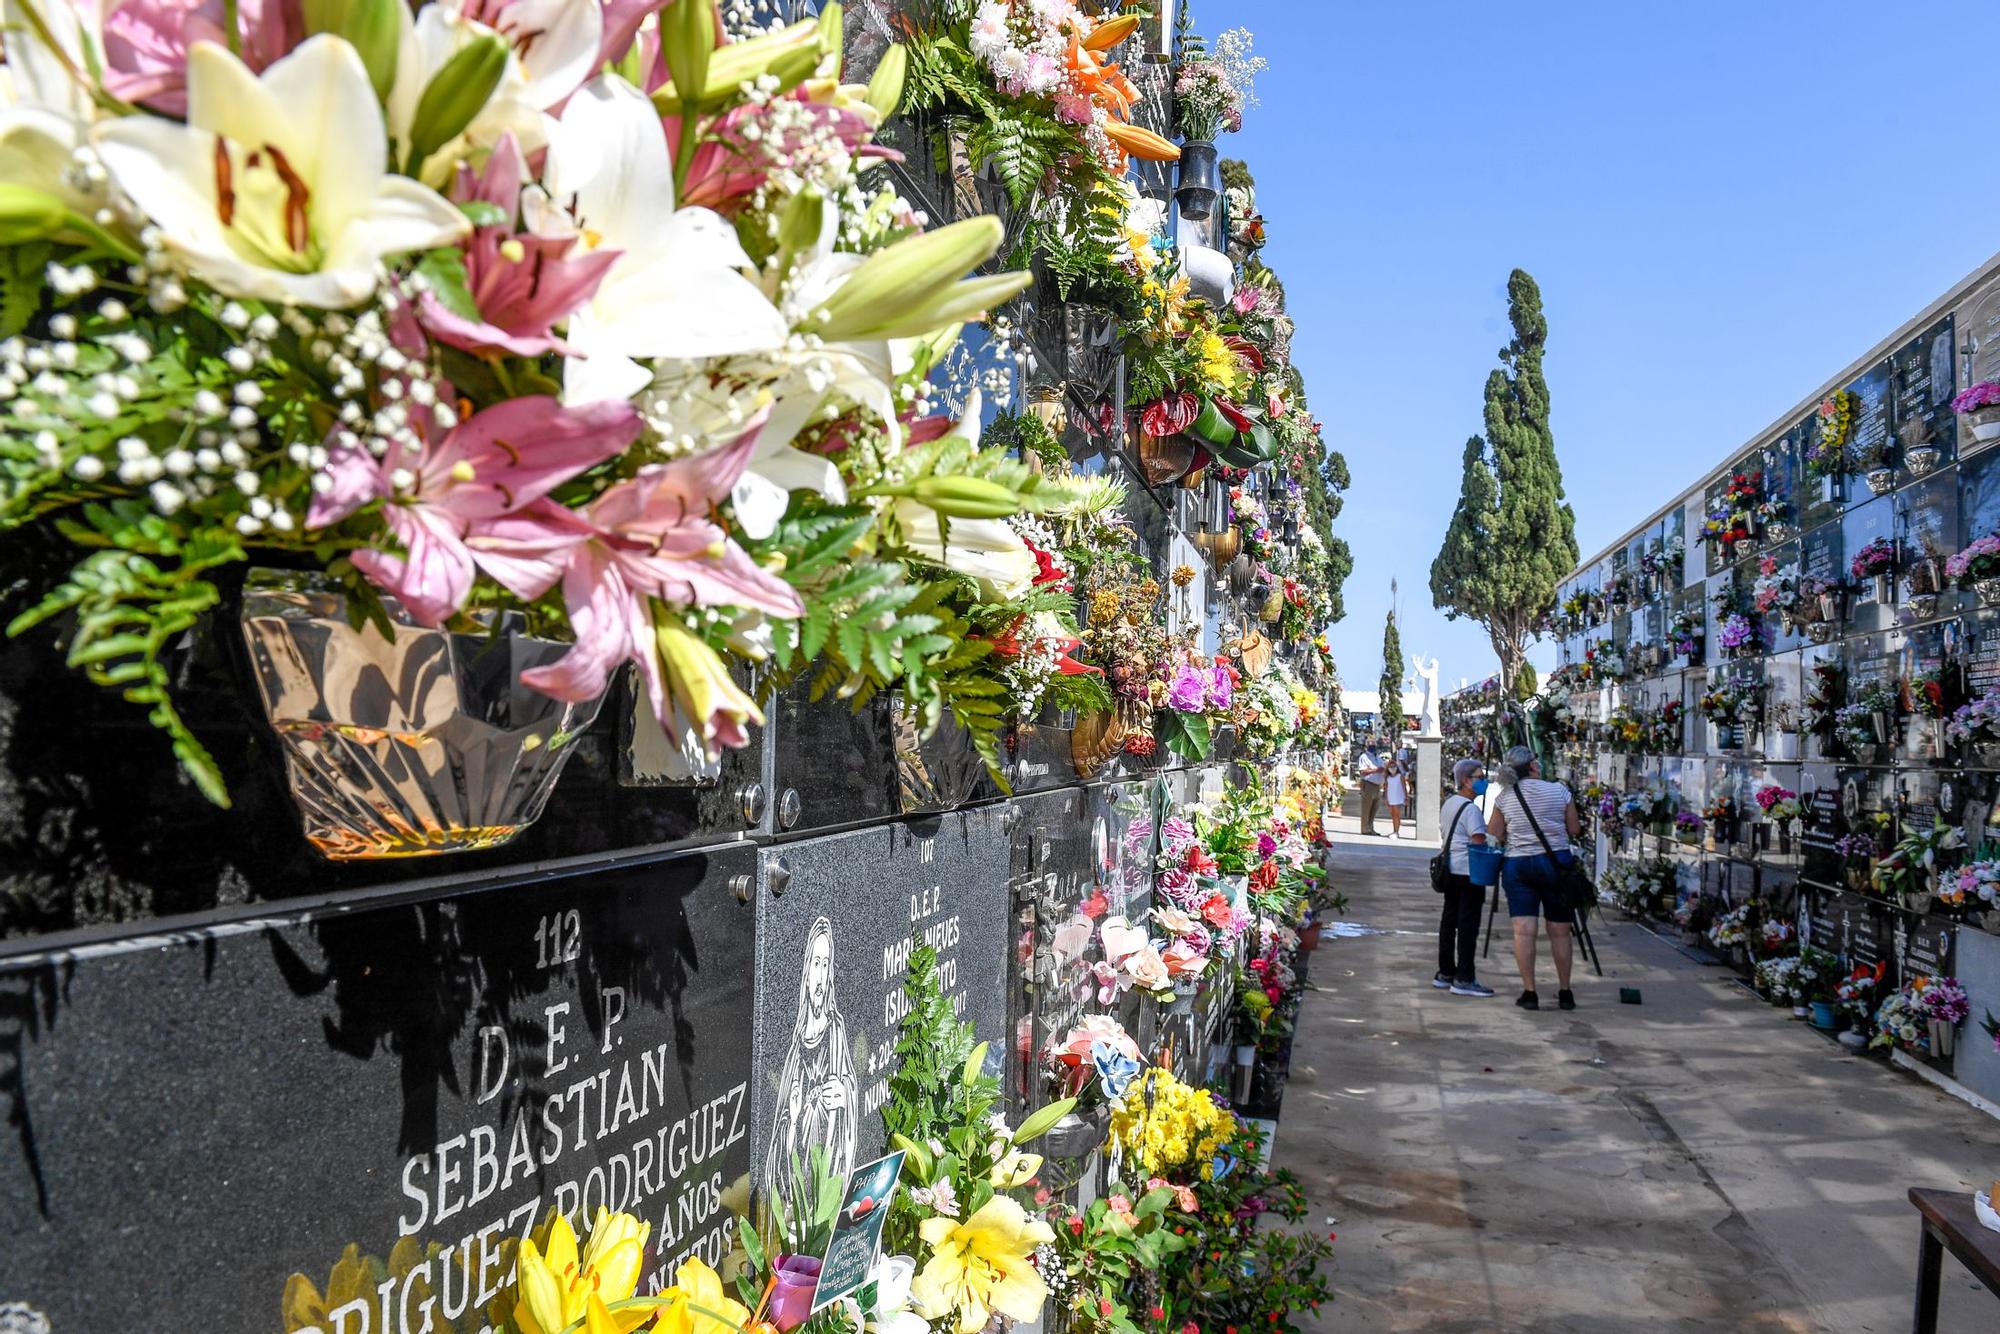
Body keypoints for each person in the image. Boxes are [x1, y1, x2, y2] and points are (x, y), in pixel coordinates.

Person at [1485, 745, 1582, 1011]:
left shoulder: (1505, 797)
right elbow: (1573, 829)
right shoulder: (1560, 791)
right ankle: (1565, 991)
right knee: (1560, 931)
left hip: (1518, 865)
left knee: (1524, 931)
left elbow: (1495, 832)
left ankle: (1530, 992)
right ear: (1533, 766)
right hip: (1556, 863)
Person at [1434, 758, 1495, 996]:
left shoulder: (1450, 803)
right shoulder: (1471, 810)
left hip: (1451, 870)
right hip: (1469, 871)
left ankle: (1446, 971)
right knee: (1468, 925)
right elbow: (1477, 840)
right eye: (1480, 778)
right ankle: (1465, 976)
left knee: (1449, 921)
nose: (1484, 782)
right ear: (1466, 781)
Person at [1356, 738, 1386, 834]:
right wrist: (1375, 770)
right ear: (1367, 746)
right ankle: (1365, 829)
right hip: (1368, 785)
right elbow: (1362, 771)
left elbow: (1383, 767)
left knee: (1374, 808)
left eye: (1374, 744)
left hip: (1378, 785)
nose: (1373, 746)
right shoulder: (1364, 757)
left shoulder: (1378, 757)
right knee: (1366, 808)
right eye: (1371, 744)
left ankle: (1371, 827)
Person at [1384, 745, 1408, 838]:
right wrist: (1386, 798)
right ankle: (1394, 830)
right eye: (1390, 767)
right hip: (1391, 797)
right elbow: (1386, 788)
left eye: (1394, 766)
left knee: (1397, 815)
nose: (1392, 768)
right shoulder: (1388, 777)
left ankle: (1396, 831)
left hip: (1398, 797)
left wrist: (1406, 797)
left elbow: (1404, 787)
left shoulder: (1400, 776)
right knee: (1393, 815)